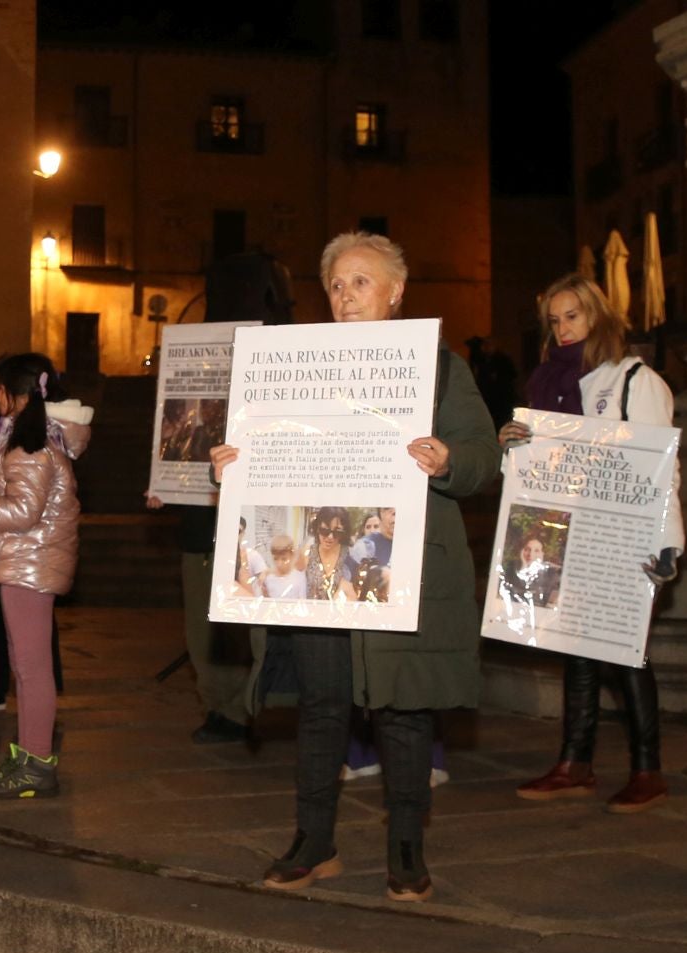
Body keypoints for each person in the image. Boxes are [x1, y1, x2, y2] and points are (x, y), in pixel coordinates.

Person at [211, 231, 499, 902]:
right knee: (321, 706)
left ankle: (406, 849)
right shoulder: (294, 367)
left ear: (396, 291)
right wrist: (235, 465)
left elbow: (485, 454)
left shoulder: (443, 370)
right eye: (336, 285)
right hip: (319, 569)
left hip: (401, 571)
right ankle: (314, 841)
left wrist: (448, 459)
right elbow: (270, 451)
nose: (345, 296)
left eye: (360, 282)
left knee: (402, 709)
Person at [500, 273, 684, 813]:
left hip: (618, 534)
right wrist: (511, 444)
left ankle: (647, 769)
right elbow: (540, 467)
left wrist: (667, 543)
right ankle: (574, 763)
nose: (562, 329)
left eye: (572, 316)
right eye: (554, 320)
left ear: (597, 316)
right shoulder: (546, 384)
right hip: (562, 529)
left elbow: (660, 468)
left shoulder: (633, 380)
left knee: (626, 651)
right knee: (576, 651)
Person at [0, 354, 80, 799]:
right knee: (25, 669)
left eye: (1, 391)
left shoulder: (31, 449)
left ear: (19, 396)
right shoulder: (31, 442)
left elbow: (22, 513)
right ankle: (29, 757)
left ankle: (37, 763)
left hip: (28, 566)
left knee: (30, 669)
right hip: (25, 563)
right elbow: (13, 499)